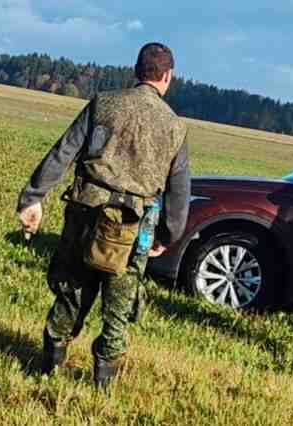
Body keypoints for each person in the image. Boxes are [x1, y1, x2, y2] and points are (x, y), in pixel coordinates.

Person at [17, 42, 190, 388]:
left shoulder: (104, 103)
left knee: (71, 288)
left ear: (136, 70)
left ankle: (48, 368)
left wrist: (33, 197)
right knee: (120, 305)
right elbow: (179, 191)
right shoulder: (175, 127)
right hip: (135, 224)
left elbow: (64, 151)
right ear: (167, 76)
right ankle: (103, 385)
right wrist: (167, 236)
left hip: (86, 211)